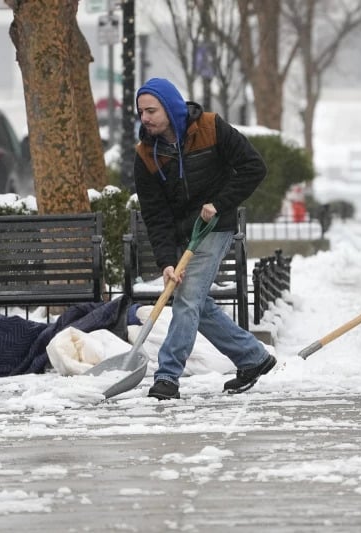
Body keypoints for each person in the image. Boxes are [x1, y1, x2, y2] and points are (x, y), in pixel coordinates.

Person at [134, 77, 276, 400]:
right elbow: (156, 216)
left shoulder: (211, 128)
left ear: (169, 108)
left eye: (151, 111)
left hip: (215, 226)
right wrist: (167, 262)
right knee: (195, 301)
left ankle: (168, 375)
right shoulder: (145, 155)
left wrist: (220, 202)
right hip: (183, 234)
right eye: (141, 112)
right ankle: (253, 357)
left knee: (186, 299)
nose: (145, 118)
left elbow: (255, 167)